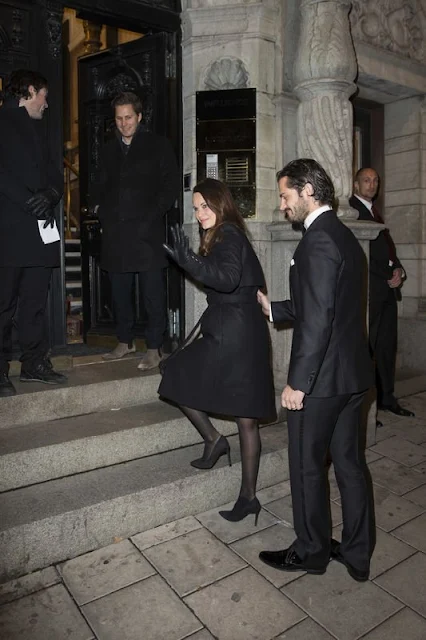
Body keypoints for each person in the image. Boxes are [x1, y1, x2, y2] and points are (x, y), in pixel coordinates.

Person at [257, 159, 375, 581]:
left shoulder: (318, 240)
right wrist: (277, 309)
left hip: (322, 381)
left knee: (307, 467)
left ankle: (311, 551)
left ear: (308, 190)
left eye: (286, 196)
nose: (283, 205)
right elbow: (331, 306)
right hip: (353, 377)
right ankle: (358, 553)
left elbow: (321, 320)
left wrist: (296, 384)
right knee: (349, 465)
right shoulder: (342, 235)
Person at [159, 178, 275, 523]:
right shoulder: (232, 235)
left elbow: (225, 278)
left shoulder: (227, 235)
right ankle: (237, 478)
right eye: (195, 208)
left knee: (177, 374)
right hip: (242, 331)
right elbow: (240, 282)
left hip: (233, 335)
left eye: (204, 206)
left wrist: (188, 260)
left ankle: (218, 447)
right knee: (245, 418)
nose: (199, 214)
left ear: (220, 204)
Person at [96, 92, 179, 370]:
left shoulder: (158, 145)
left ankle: (154, 347)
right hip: (116, 233)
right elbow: (99, 186)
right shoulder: (108, 150)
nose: (123, 124)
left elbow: (170, 186)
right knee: (119, 291)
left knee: (152, 294)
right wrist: (100, 212)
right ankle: (124, 340)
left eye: (128, 117)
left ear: (140, 116)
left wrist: (152, 215)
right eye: (119, 119)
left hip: (147, 233)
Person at [0, 69, 67, 398]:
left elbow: (55, 173)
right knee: (3, 303)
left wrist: (53, 194)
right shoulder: (2, 122)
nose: (47, 103)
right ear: (28, 91)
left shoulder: (40, 130)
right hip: (9, 231)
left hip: (41, 233)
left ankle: (34, 363)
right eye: (44, 95)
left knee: (35, 304)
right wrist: (28, 201)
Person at [350, 168, 414, 418]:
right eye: (366, 180)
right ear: (356, 185)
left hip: (386, 293)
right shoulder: (353, 210)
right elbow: (362, 255)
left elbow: (387, 250)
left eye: (375, 180)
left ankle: (387, 398)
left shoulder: (375, 211)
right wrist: (388, 275)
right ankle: (366, 411)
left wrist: (399, 269)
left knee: (387, 348)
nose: (372, 184)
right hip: (370, 292)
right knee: (367, 350)